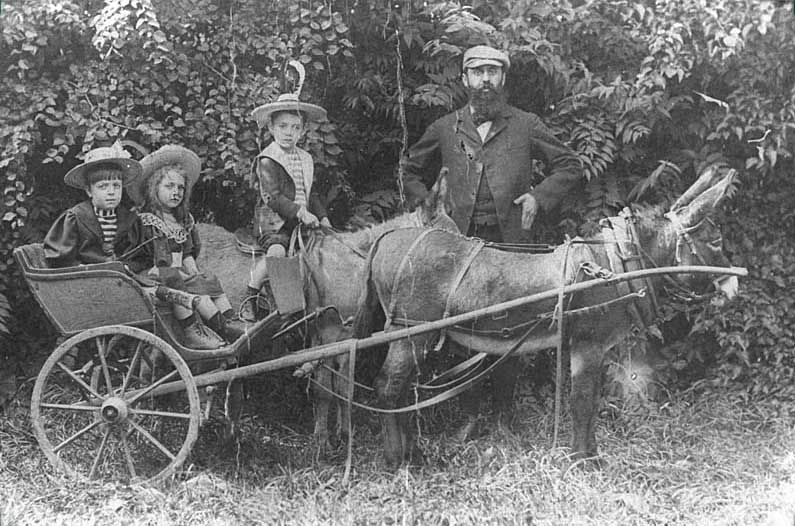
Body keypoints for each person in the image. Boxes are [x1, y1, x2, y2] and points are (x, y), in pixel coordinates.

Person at [401, 44, 583, 431]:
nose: (486, 80)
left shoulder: (525, 124)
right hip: (460, 248)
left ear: (503, 79)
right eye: (478, 72)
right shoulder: (445, 127)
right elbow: (410, 171)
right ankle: (468, 413)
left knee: (511, 326)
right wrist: (429, 206)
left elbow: (570, 164)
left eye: (493, 73)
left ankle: (502, 415)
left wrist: (539, 196)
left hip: (512, 245)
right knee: (462, 327)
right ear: (465, 79)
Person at [127, 145, 246, 350]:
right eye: (169, 186)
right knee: (176, 279)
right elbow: (160, 258)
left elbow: (188, 253)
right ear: (154, 188)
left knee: (207, 278)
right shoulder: (148, 221)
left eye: (180, 188)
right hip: (153, 272)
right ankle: (200, 330)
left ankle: (231, 320)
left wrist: (194, 272)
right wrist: (182, 273)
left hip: (176, 270)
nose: (176, 192)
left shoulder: (183, 220)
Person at [237, 85, 331, 322]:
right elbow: (273, 197)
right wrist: (299, 212)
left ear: (303, 131)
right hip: (274, 223)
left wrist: (322, 216)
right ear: (270, 128)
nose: (289, 132)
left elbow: (313, 193)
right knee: (277, 252)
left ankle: (316, 306)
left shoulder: (305, 158)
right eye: (283, 126)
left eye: (295, 127)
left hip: (302, 221)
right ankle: (250, 296)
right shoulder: (268, 159)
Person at [44, 142, 146, 270]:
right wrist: (82, 268)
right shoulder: (76, 217)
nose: (111, 192)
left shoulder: (130, 219)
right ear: (89, 191)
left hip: (122, 279)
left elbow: (142, 257)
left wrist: (127, 267)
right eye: (103, 186)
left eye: (116, 185)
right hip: (85, 279)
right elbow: (59, 258)